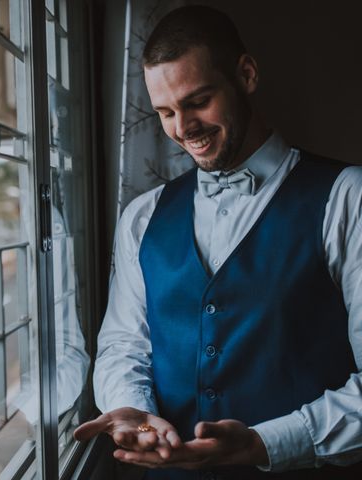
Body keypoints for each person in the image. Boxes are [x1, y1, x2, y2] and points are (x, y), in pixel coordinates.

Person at [73, 5, 362, 479]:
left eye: (198, 101)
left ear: (246, 75)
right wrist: (131, 407)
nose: (182, 129)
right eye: (165, 112)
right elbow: (124, 344)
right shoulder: (141, 218)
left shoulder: (347, 197)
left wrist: (263, 443)